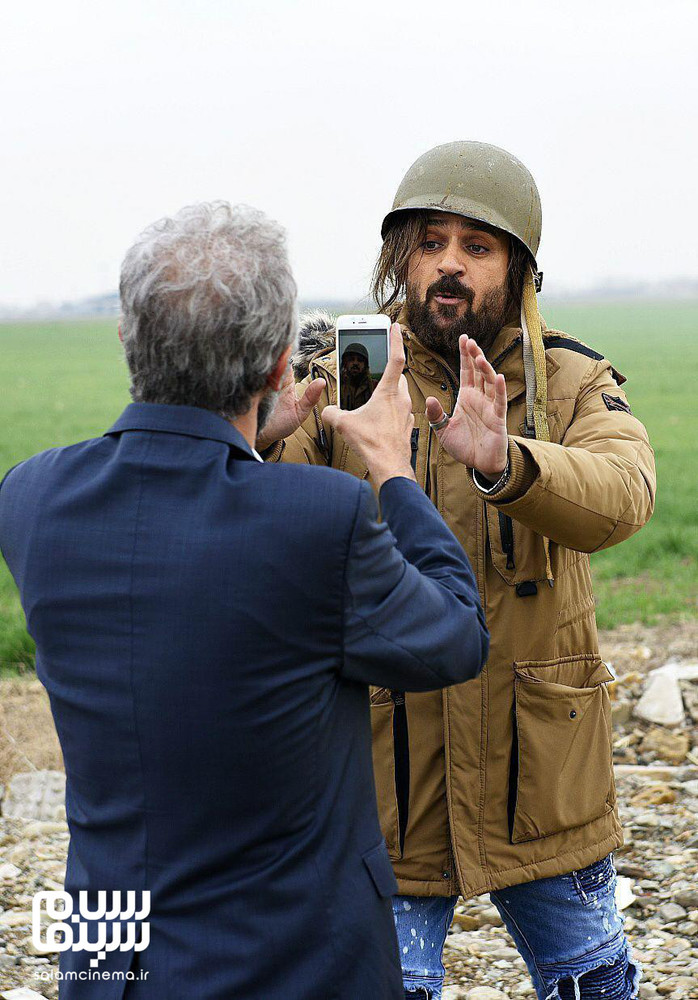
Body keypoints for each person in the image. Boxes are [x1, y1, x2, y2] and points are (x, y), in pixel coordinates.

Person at [0, 202, 490, 1000]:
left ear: (128, 340)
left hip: (104, 958)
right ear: (275, 365)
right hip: (284, 962)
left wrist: (252, 435)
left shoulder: (29, 499)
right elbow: (456, 637)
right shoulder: (318, 523)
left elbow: (166, 519)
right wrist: (392, 468)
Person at [256, 142, 656, 1000]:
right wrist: (257, 422)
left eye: (477, 246)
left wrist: (504, 459)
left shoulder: (572, 380)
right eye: (430, 240)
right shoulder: (341, 380)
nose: (448, 264)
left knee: (593, 982)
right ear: (398, 255)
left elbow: (624, 493)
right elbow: (245, 509)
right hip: (385, 785)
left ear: (518, 267)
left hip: (543, 777)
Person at [340, 342, 374, 409]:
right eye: (351, 359)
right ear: (345, 363)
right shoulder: (337, 386)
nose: (355, 363)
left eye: (360, 360)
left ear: (365, 365)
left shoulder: (375, 386)